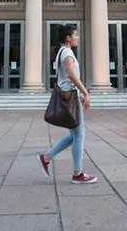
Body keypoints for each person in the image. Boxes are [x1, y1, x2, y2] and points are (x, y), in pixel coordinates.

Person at [36, 25, 98, 184]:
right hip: (70, 97)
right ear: (68, 38)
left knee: (74, 135)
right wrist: (85, 92)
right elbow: (71, 75)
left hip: (67, 95)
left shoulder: (62, 52)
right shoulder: (67, 52)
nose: (77, 38)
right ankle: (77, 173)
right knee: (78, 135)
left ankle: (46, 157)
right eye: (75, 35)